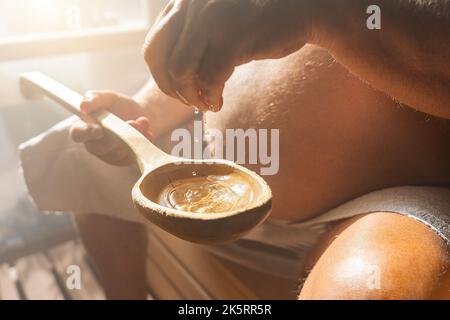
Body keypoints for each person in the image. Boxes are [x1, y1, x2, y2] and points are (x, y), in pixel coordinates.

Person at [20, 0, 450, 299]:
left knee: (367, 287)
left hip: (387, 195)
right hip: (211, 156)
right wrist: (144, 109)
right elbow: (215, 40)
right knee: (80, 154)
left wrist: (320, 10)